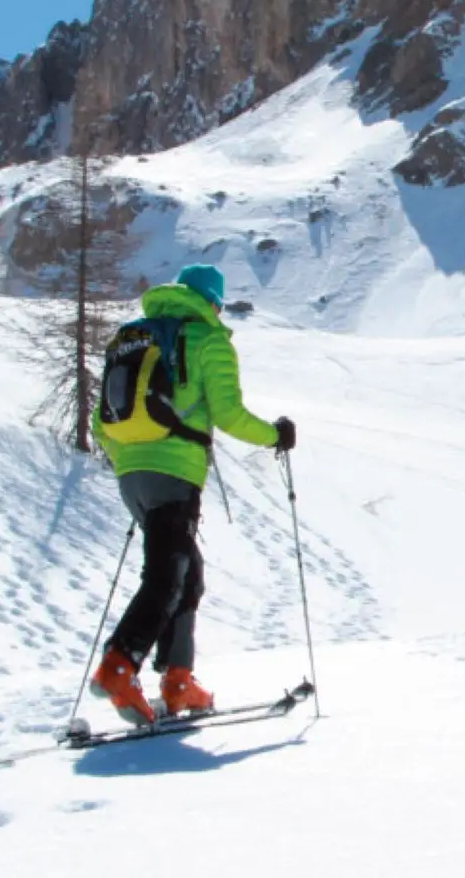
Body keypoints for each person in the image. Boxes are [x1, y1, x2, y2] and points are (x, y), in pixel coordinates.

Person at [88, 263, 294, 725]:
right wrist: (275, 436)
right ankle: (120, 665)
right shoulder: (207, 339)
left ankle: (179, 679)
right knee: (168, 575)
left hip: (131, 474)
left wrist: (132, 456)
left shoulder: (135, 336)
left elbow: (101, 421)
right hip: (174, 473)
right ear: (214, 302)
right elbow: (229, 413)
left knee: (186, 572)